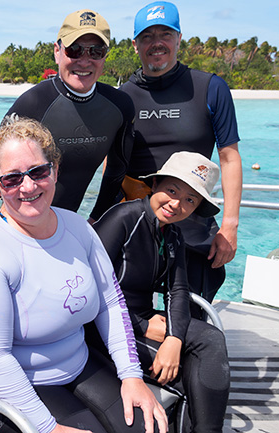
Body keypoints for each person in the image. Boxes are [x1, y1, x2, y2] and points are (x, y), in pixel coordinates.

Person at [0, 117, 167, 433]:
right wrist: (47, 428)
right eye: (11, 179)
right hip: (13, 381)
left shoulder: (78, 228)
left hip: (76, 363)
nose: (28, 186)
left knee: (147, 426)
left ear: (55, 169)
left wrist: (131, 376)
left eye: (38, 172)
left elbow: (111, 304)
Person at [93, 151, 230, 432]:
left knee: (207, 342)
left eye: (190, 200)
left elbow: (177, 290)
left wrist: (174, 339)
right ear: (155, 185)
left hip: (140, 320)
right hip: (105, 330)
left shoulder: (173, 234)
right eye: (172, 190)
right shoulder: (123, 218)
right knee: (196, 365)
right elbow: (89, 292)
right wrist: (142, 326)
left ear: (196, 208)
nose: (176, 203)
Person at [119, 1, 242, 308]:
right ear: (135, 44)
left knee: (192, 313)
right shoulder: (123, 97)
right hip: (138, 221)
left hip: (191, 220)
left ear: (178, 38)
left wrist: (229, 225)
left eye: (165, 34)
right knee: (130, 317)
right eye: (147, 36)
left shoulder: (210, 88)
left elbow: (229, 158)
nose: (156, 42)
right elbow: (113, 164)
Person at [5, 10, 134, 222]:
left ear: (105, 56)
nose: (84, 61)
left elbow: (116, 170)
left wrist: (95, 220)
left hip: (70, 225)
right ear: (57, 51)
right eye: (74, 50)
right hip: (22, 222)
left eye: (96, 51)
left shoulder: (120, 106)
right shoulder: (33, 103)